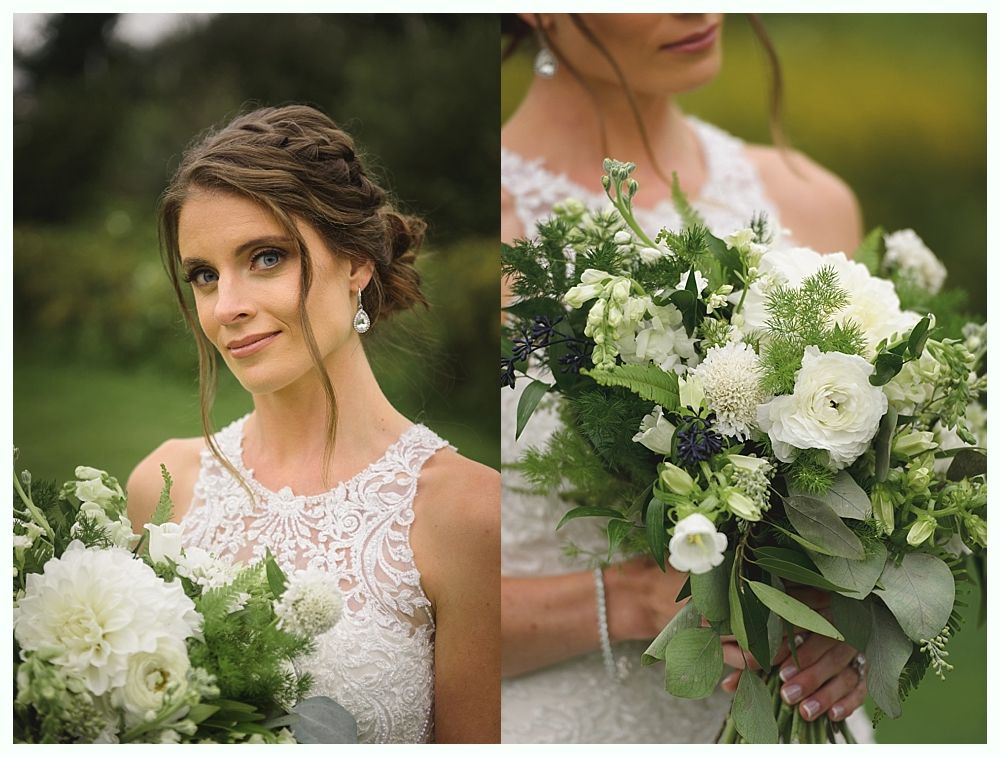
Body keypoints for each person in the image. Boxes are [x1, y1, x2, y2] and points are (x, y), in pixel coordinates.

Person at [500, 14, 872, 743]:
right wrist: (632, 598)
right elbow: (410, 620)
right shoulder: (489, 228)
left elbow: (874, 500)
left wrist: (853, 614)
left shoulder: (811, 200)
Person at [126, 105, 500, 744]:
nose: (228, 307)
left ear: (357, 262)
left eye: (267, 257)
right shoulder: (162, 486)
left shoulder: (469, 515)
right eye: (205, 275)